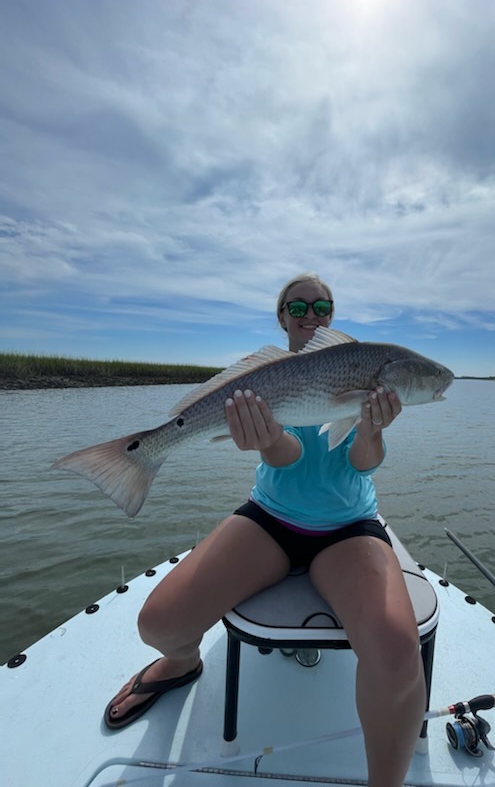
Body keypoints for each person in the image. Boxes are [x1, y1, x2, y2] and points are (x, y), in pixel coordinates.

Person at [104, 273, 426, 787]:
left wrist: (371, 428)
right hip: (273, 517)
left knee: (395, 651)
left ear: (333, 315)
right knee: (159, 625)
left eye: (322, 306)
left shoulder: (362, 369)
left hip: (349, 527)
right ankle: (183, 662)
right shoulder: (270, 377)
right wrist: (269, 438)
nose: (310, 315)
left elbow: (365, 463)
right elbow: (290, 456)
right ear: (281, 318)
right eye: (297, 307)